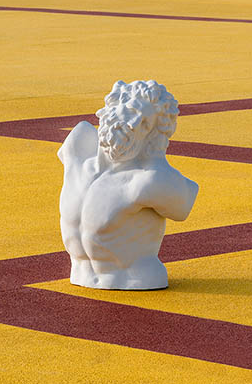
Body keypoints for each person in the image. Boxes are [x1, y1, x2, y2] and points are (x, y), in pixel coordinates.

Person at [58, 80, 199, 290]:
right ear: (113, 107)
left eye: (145, 125)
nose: (133, 124)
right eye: (132, 111)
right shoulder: (76, 150)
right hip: (79, 275)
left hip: (139, 281)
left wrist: (155, 155)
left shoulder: (147, 181)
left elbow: (184, 204)